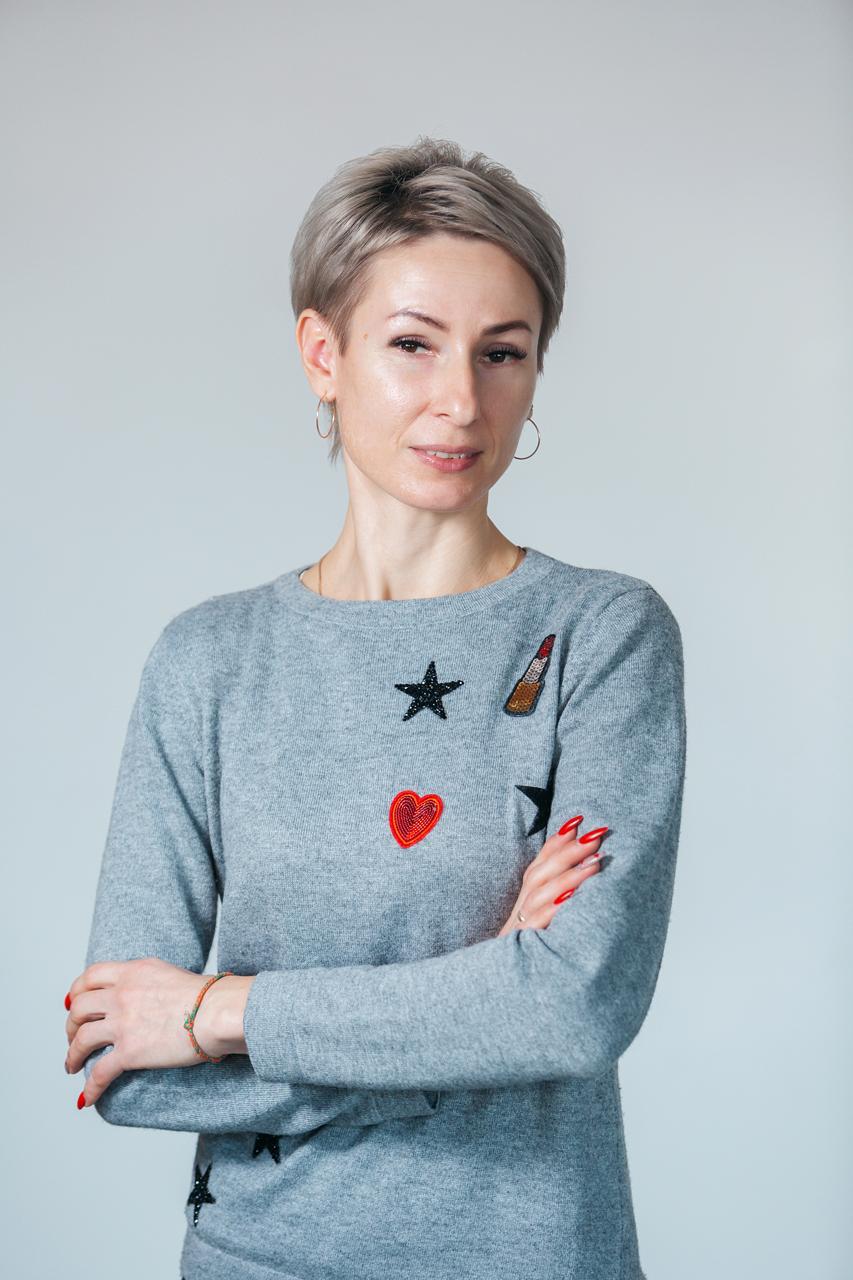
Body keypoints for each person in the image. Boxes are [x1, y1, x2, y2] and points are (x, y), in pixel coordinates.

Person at [64, 136, 687, 1280]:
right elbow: (127, 1061)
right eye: (412, 343)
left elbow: (572, 1008)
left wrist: (219, 1010)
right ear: (323, 352)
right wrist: (479, 998)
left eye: (502, 352)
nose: (461, 399)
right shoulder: (209, 662)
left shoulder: (599, 635)